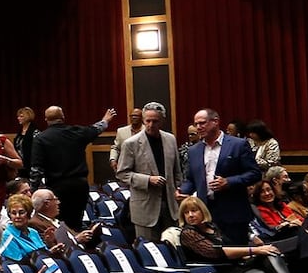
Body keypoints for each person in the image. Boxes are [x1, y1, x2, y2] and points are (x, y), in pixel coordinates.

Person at [178, 195, 300, 273]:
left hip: (234, 266)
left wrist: (253, 253)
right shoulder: (188, 233)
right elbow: (215, 252)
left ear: (202, 211)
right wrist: (254, 250)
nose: (190, 215)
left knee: (270, 252)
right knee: (268, 271)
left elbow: (231, 246)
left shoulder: (212, 227)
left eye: (194, 211)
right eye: (186, 213)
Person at [179, 108, 262, 244]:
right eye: (196, 124)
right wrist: (182, 190)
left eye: (202, 123)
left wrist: (229, 182)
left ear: (215, 122)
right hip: (205, 213)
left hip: (233, 211)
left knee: (236, 253)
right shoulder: (194, 150)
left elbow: (254, 173)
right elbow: (191, 178)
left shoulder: (238, 145)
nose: (198, 127)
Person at [31, 106, 117, 228]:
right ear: (63, 118)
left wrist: (33, 190)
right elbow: (96, 129)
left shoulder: (40, 138)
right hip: (79, 186)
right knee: (76, 222)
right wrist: (106, 119)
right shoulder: (76, 132)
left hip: (57, 188)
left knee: (59, 224)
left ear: (46, 119)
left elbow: (36, 169)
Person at [116, 103, 182, 241]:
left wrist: (178, 189)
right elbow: (122, 173)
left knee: (173, 249)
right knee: (150, 251)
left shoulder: (170, 139)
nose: (151, 125)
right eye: (148, 121)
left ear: (162, 121)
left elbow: (177, 171)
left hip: (170, 206)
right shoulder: (131, 143)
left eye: (155, 121)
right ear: (143, 120)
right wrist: (147, 180)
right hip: (145, 208)